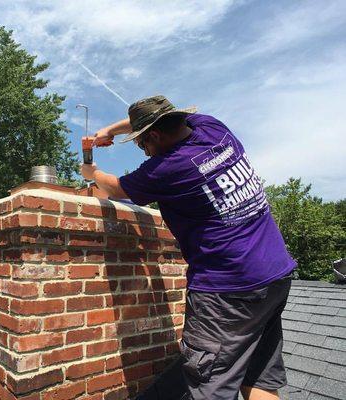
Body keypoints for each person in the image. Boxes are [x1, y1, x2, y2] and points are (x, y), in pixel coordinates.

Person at [80, 95, 296, 400]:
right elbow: (160, 118)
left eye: (142, 144)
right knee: (258, 377)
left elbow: (115, 189)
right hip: (275, 275)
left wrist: (91, 174)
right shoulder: (212, 129)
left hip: (228, 293)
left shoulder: (168, 168)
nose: (145, 151)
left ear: (154, 136)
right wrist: (109, 131)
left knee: (209, 387)